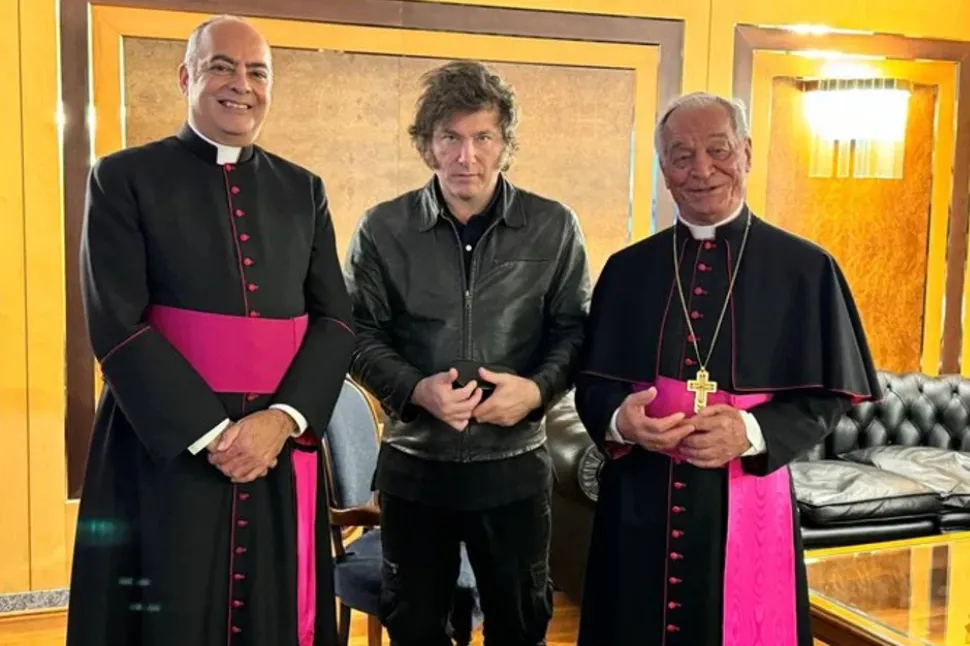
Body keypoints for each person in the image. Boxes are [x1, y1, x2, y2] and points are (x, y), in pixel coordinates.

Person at [66, 15, 354, 646]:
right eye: (221, 66)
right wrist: (215, 435)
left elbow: (335, 318)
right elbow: (114, 320)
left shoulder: (303, 190)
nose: (240, 85)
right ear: (186, 77)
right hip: (167, 444)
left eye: (257, 71)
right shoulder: (122, 178)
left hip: (277, 447)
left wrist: (282, 421)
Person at [573, 91, 882, 646]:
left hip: (747, 495)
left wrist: (752, 431)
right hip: (640, 503)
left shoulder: (806, 268)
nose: (702, 170)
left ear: (746, 152)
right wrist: (621, 421)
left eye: (718, 150)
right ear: (663, 168)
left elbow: (828, 395)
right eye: (681, 155)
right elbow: (592, 384)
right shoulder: (626, 270)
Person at [344, 60, 591, 646]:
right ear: (427, 146)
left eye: (483, 138)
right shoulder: (382, 228)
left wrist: (534, 392)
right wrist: (415, 390)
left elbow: (577, 332)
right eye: (450, 138)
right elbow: (354, 333)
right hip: (414, 468)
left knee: (521, 625)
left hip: (516, 470)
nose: (466, 156)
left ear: (506, 145)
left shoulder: (553, 227)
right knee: (414, 626)